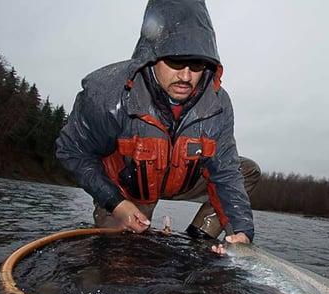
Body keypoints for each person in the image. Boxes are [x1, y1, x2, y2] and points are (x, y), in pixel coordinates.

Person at [55, 0, 259, 249]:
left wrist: (242, 231)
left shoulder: (219, 104)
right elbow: (72, 151)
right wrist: (116, 203)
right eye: (175, 61)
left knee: (245, 170)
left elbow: (225, 171)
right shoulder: (107, 94)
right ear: (151, 56)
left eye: (196, 64)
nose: (186, 76)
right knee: (118, 257)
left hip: (184, 177)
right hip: (128, 187)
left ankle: (198, 239)